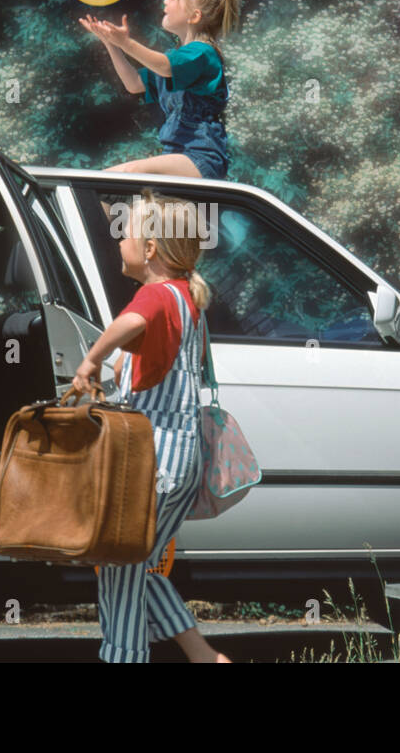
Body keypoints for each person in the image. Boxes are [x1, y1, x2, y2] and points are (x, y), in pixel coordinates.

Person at [72, 190, 231, 662]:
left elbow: (131, 323)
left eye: (127, 230)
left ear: (150, 250)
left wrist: (92, 359)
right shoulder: (187, 300)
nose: (119, 238)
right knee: (137, 566)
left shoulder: (156, 294)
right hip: (180, 462)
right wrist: (122, 368)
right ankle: (203, 656)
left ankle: (122, 656)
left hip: (152, 459)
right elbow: (154, 357)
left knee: (119, 567)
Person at [79, 0, 244, 180]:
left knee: (124, 174)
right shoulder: (176, 58)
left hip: (201, 158)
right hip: (176, 155)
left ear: (194, 16)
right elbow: (134, 84)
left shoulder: (202, 53)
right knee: (115, 188)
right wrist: (112, 44)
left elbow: (165, 68)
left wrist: (126, 42)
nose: (165, 2)